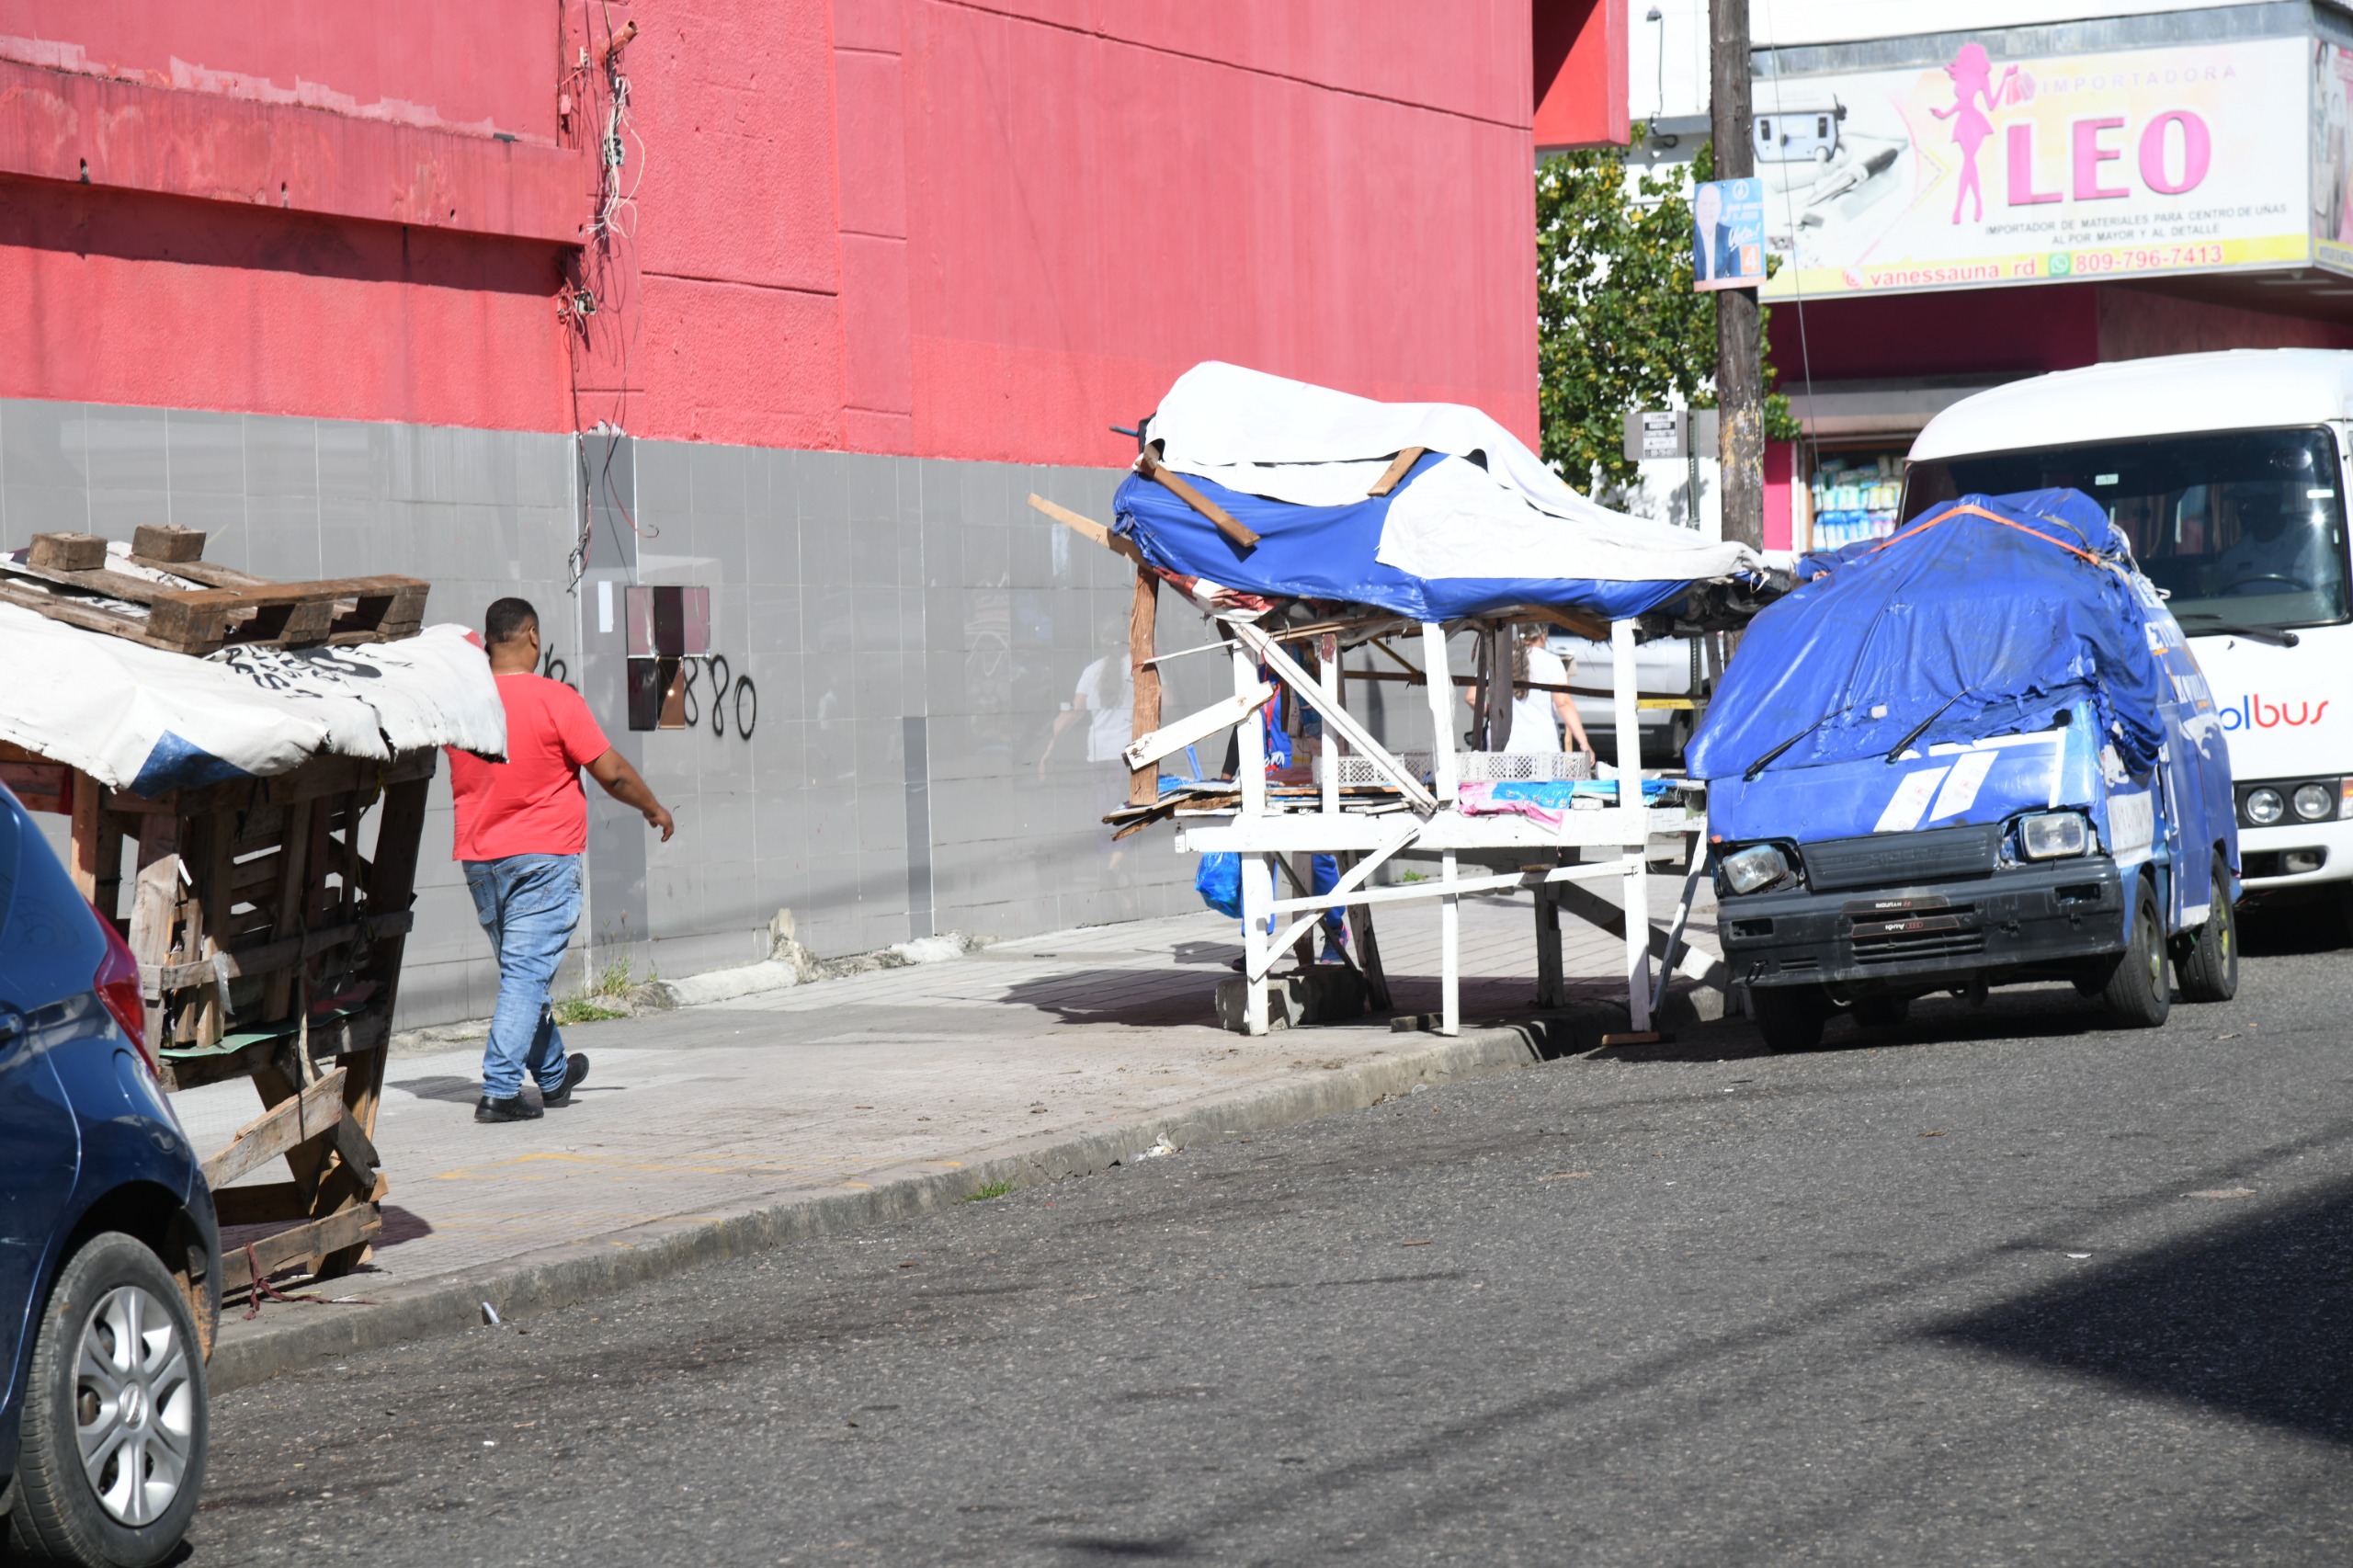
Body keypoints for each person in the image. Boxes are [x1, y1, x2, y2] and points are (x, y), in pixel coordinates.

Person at [449, 597, 676, 1123]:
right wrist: (654, 808)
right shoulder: (556, 698)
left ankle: (553, 1077)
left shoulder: (463, 705)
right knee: (526, 977)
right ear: (531, 635)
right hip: (543, 860)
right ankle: (500, 1090)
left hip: (481, 862)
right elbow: (611, 771)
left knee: (520, 975)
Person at [1505, 626, 1595, 756]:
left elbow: (1472, 697)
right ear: (1543, 635)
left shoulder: (1501, 659)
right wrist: (1584, 743)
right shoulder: (1551, 661)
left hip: (1505, 748)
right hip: (1543, 747)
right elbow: (1563, 704)